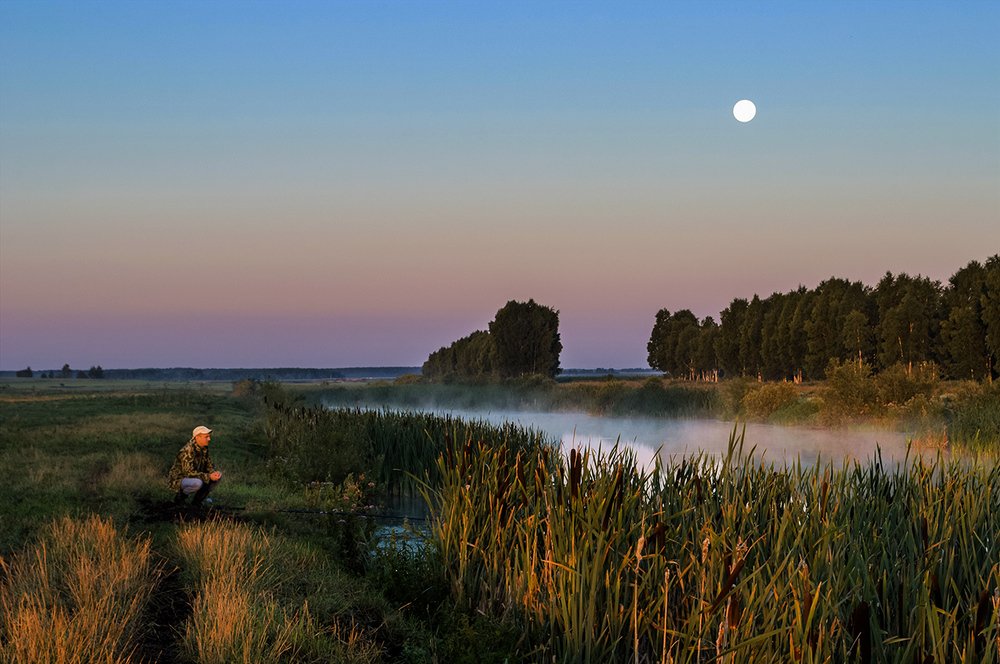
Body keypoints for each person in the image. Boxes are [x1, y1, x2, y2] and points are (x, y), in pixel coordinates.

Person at [169, 425, 222, 505]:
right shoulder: (188, 451)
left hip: (195, 476)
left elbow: (209, 465)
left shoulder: (203, 449)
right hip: (179, 479)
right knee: (198, 483)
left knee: (217, 477)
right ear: (197, 437)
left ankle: (197, 502)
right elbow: (188, 472)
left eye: (209, 436)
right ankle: (180, 498)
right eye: (206, 437)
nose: (209, 439)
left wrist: (213, 473)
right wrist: (208, 476)